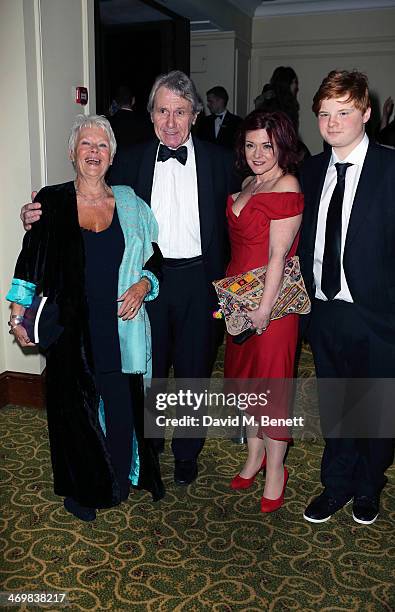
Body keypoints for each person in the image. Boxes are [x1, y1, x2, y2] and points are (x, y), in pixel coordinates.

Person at [21, 71, 238, 487]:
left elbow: (246, 203)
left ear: (194, 115)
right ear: (151, 115)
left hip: (199, 281)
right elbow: (89, 202)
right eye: (162, 111)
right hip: (142, 281)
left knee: (195, 371)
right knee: (145, 371)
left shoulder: (218, 160)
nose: (171, 122)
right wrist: (39, 215)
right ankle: (149, 448)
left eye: (180, 112)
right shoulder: (131, 161)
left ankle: (188, 452)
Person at [9, 114, 164, 522]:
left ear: (111, 156)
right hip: (69, 325)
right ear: (73, 153)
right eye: (86, 145)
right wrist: (17, 312)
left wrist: (143, 285)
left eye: (101, 146)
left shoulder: (130, 202)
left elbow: (155, 259)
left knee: (117, 403)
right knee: (73, 410)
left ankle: (118, 474)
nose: (94, 152)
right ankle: (81, 488)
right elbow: (31, 261)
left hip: (118, 324)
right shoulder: (53, 199)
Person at [298, 70, 395, 524]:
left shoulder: (391, 168)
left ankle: (368, 485)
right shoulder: (311, 171)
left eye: (344, 112)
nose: (332, 122)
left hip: (377, 315)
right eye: (324, 113)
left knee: (374, 406)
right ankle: (336, 484)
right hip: (325, 310)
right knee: (336, 403)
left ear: (366, 113)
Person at [226, 110, 304, 513]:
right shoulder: (247, 183)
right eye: (251, 144)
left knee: (271, 391)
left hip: (270, 311)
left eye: (267, 146)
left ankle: (276, 472)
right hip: (239, 302)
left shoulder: (286, 184)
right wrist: (235, 304)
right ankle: (254, 458)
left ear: (282, 145)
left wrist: (263, 310)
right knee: (246, 386)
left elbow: (278, 256)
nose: (257, 153)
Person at [254, 66, 310, 163]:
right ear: (288, 83)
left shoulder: (267, 103)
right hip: (279, 150)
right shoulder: (286, 106)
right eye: (294, 82)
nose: (296, 87)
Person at [196, 85, 242, 149]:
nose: (208, 105)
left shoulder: (236, 122)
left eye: (210, 101)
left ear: (220, 101)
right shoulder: (204, 122)